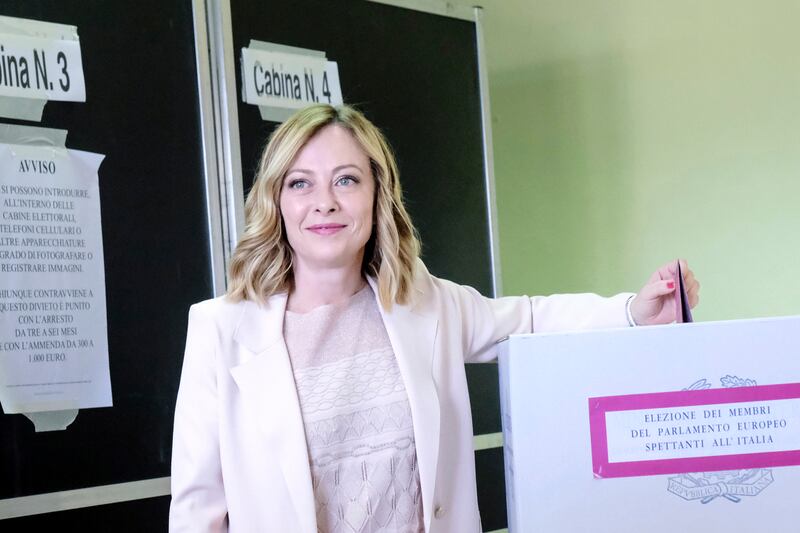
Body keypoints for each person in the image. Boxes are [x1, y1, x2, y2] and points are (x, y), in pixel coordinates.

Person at [169, 104, 700, 533]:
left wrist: (633, 311)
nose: (324, 203)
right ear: (276, 201)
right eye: (300, 183)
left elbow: (532, 320)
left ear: (377, 194)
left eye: (347, 180)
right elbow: (199, 512)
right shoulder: (220, 331)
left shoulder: (425, 304)